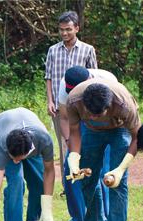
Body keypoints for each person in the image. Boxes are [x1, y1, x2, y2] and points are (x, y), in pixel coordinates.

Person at [61, 78, 141, 221]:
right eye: (90, 114)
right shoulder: (74, 101)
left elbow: (137, 137)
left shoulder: (124, 105)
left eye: (99, 115)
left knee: (117, 185)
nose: (94, 117)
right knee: (86, 180)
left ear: (110, 105)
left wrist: (120, 169)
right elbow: (74, 132)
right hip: (91, 132)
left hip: (119, 130)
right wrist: (74, 160)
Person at [55, 66, 116, 221]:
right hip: (80, 121)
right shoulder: (64, 85)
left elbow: (114, 114)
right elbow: (65, 117)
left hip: (105, 121)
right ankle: (79, 220)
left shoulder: (107, 81)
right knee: (71, 170)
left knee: (101, 171)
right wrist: (69, 142)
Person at [45, 11, 97, 184]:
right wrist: (50, 100)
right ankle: (67, 183)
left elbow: (93, 78)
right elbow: (49, 77)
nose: (64, 33)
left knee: (83, 141)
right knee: (64, 144)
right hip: (60, 106)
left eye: (68, 29)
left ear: (77, 28)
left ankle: (85, 177)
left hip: (82, 106)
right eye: (61, 30)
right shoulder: (53, 50)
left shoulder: (88, 50)